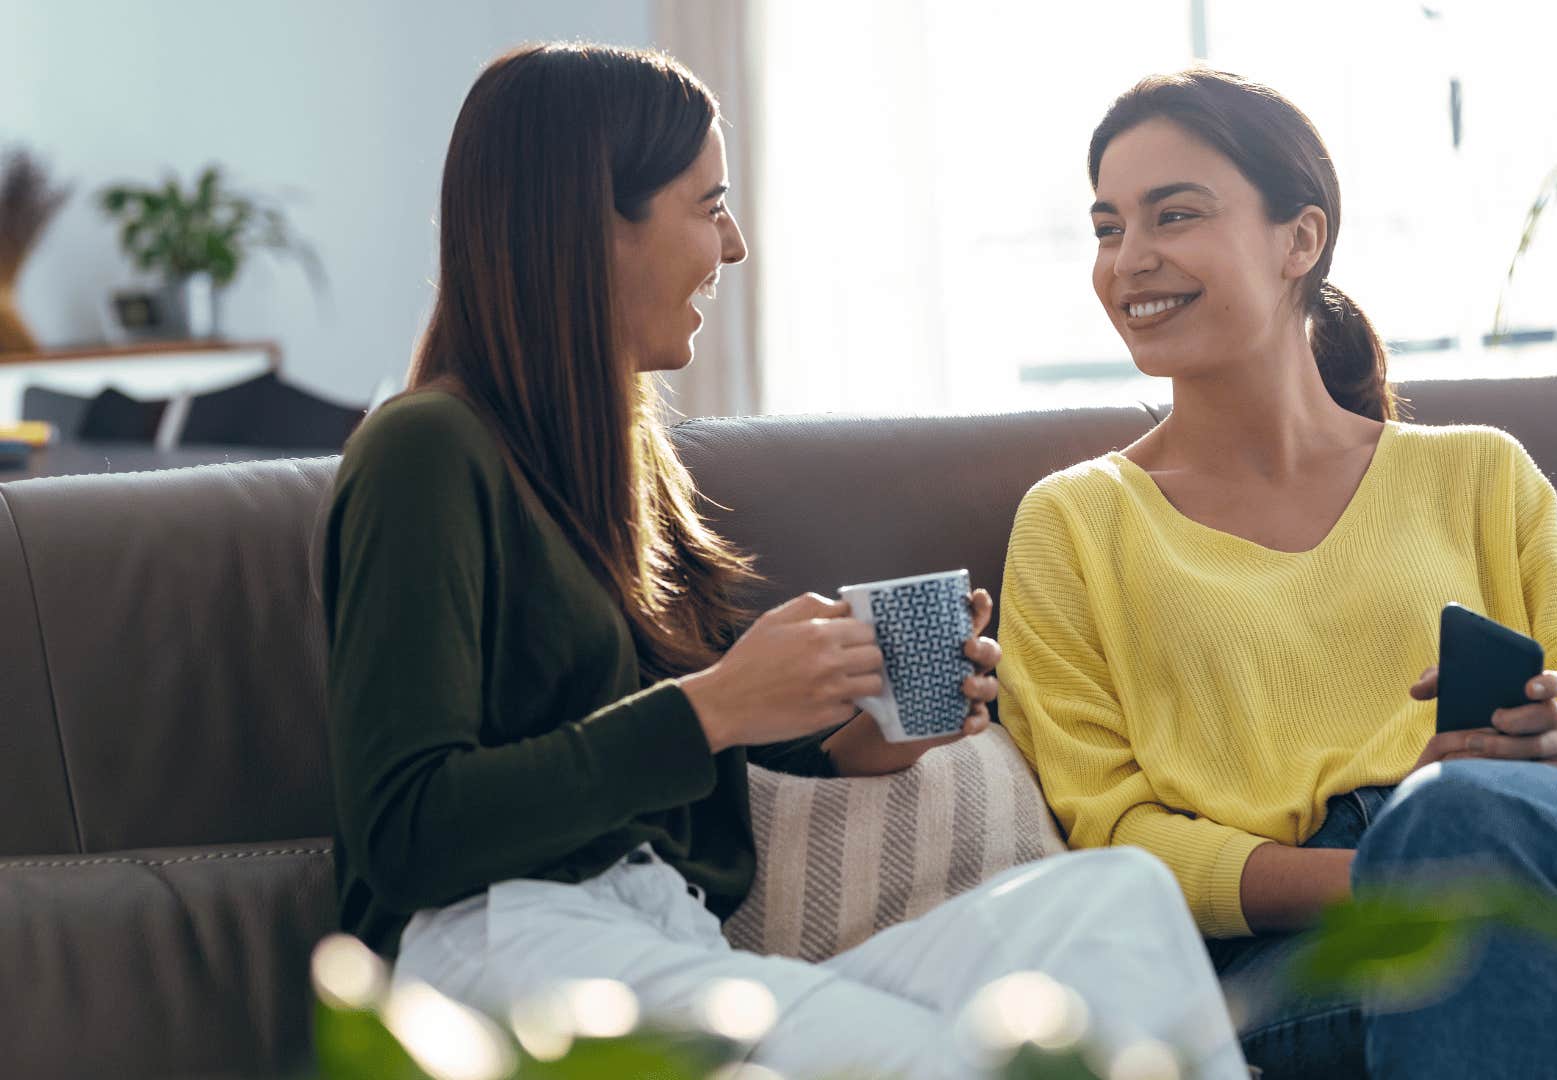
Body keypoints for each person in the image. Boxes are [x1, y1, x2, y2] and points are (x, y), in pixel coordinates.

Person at [321, 44, 1246, 1080]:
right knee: (942, 1062)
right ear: (592, 225)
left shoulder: (620, 467)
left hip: (667, 939)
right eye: (706, 203)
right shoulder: (425, 450)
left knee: (1113, 905)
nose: (735, 242)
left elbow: (663, 765)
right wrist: (717, 704)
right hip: (500, 952)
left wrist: (854, 745)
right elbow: (408, 832)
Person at [997, 68, 1557, 1079]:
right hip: (1316, 946)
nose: (1131, 259)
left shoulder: (1477, 471)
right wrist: (1405, 875)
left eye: (1174, 215)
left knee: (1474, 824)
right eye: (1107, 227)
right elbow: (1113, 834)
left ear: (1300, 239)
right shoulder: (1075, 523)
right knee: (1487, 924)